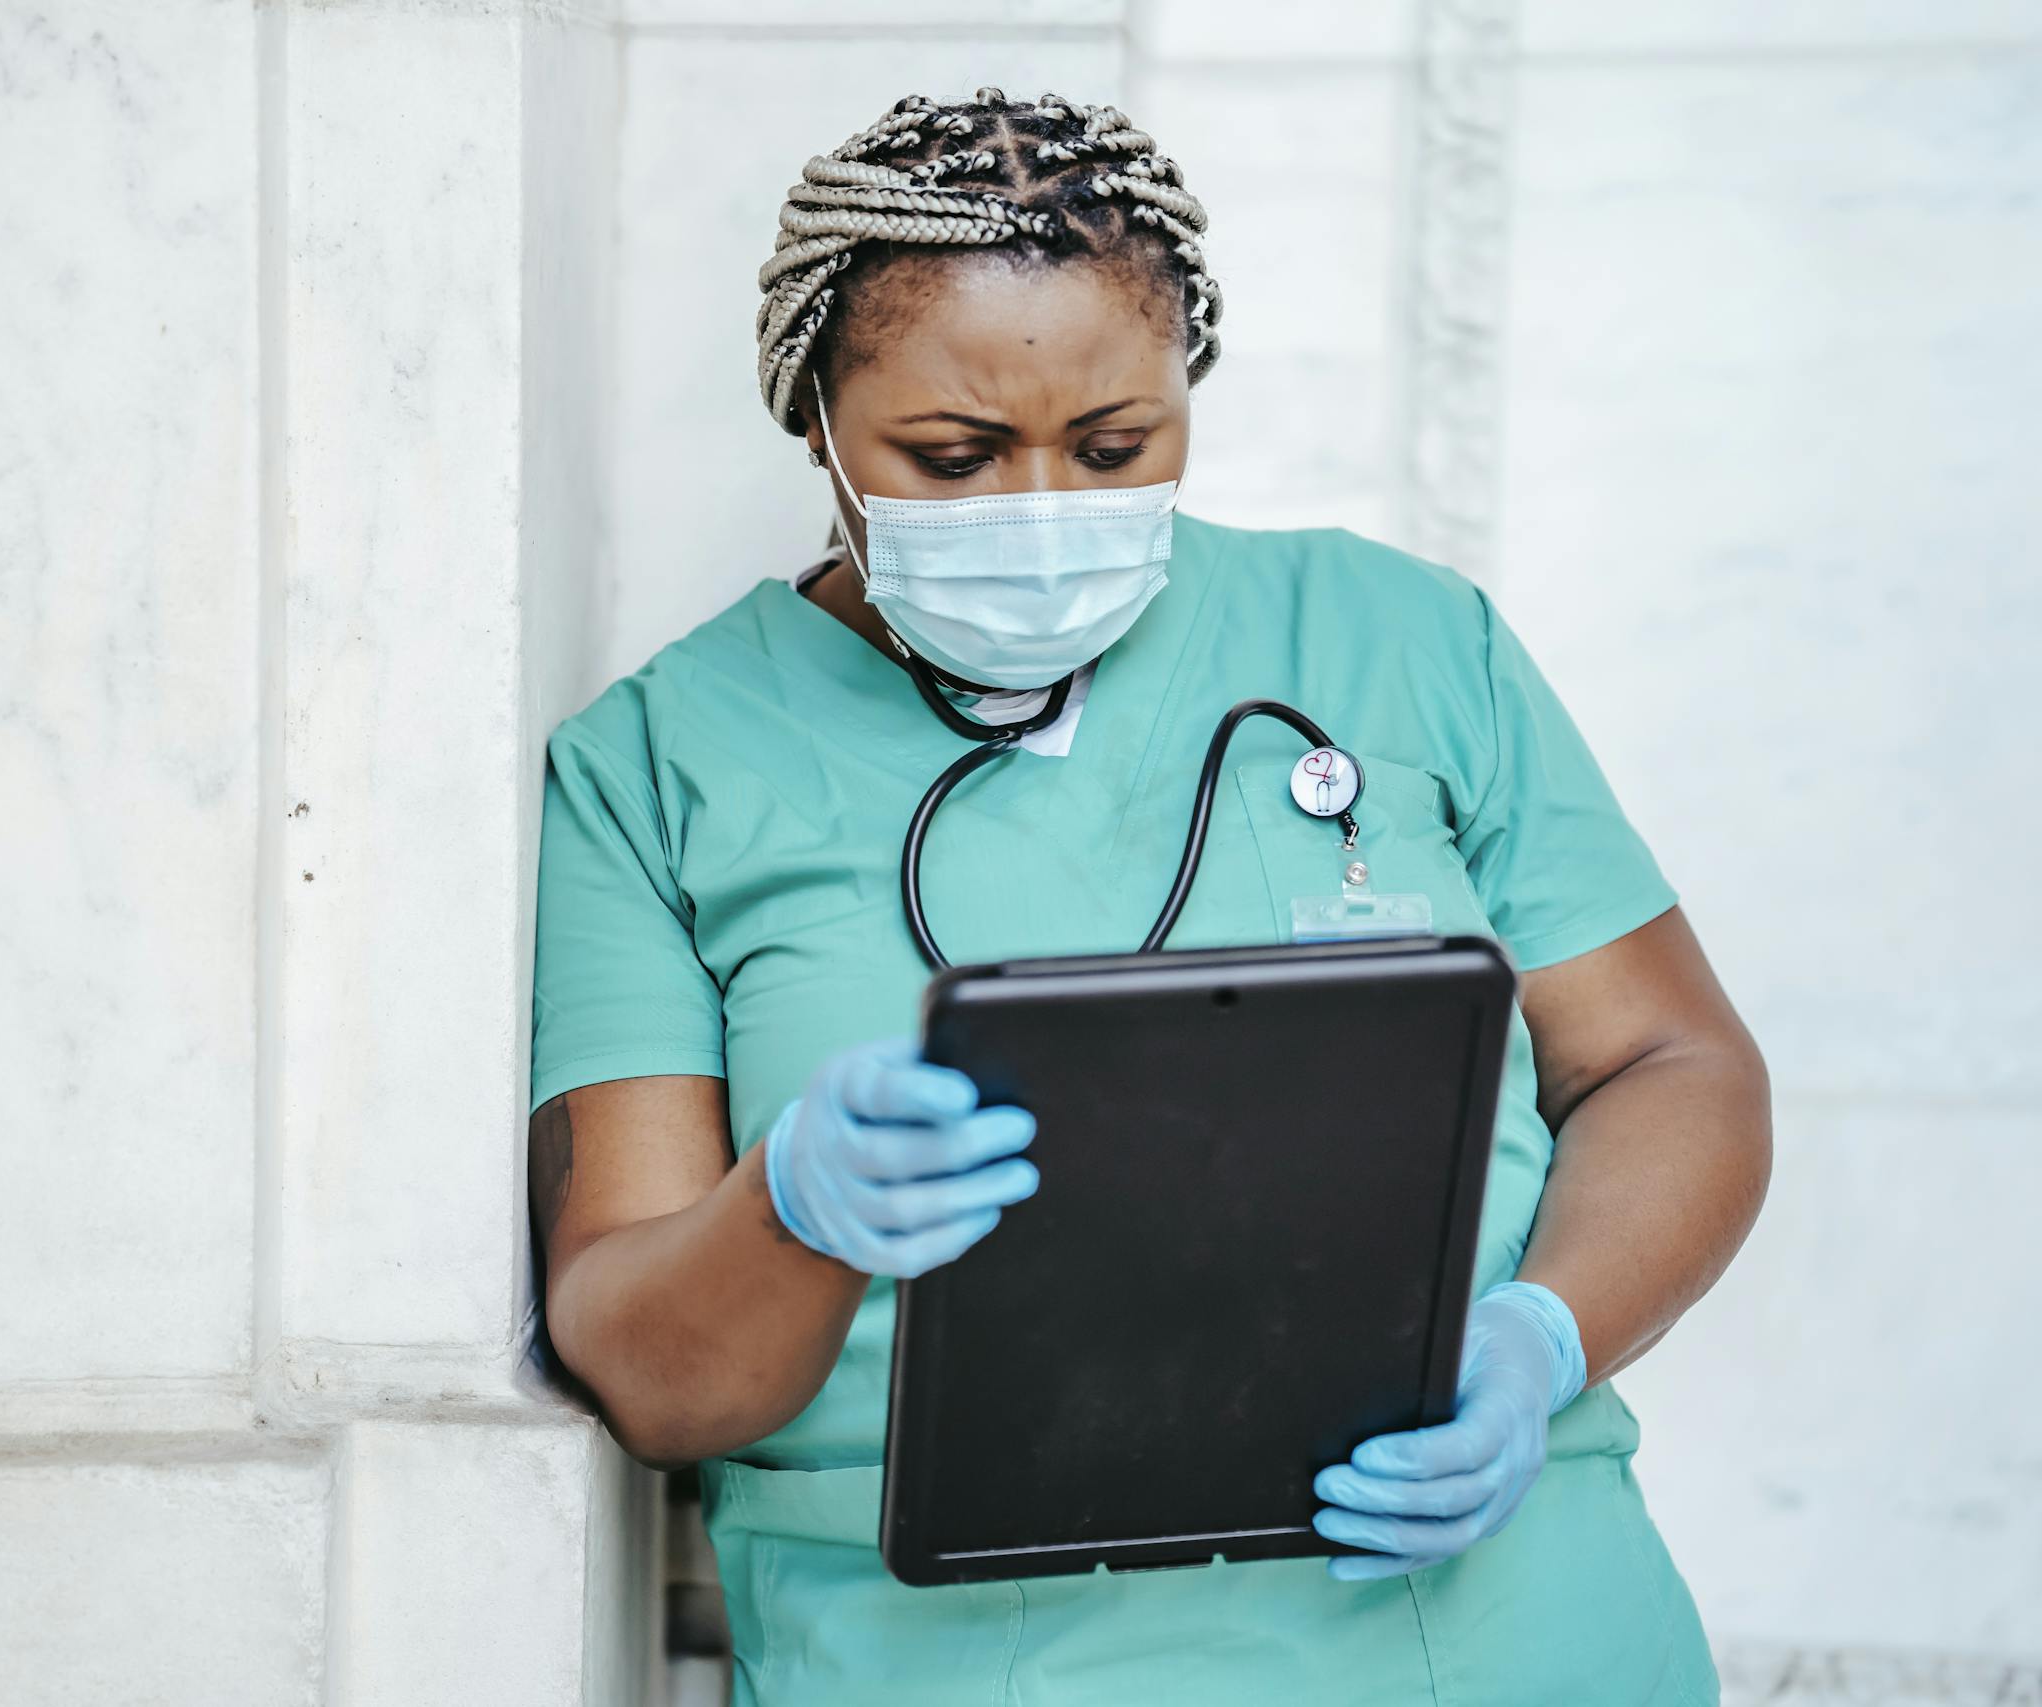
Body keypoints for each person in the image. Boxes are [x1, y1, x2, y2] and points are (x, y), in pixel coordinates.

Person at [526, 88, 1771, 1706]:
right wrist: (789, 1211)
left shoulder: (1399, 641)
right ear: (814, 418)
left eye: (1116, 448)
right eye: (953, 456)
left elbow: (1671, 1065)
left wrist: (1543, 1340)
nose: (1042, 510)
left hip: (1496, 1636)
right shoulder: (659, 766)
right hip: (957, 1660)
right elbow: (651, 1373)